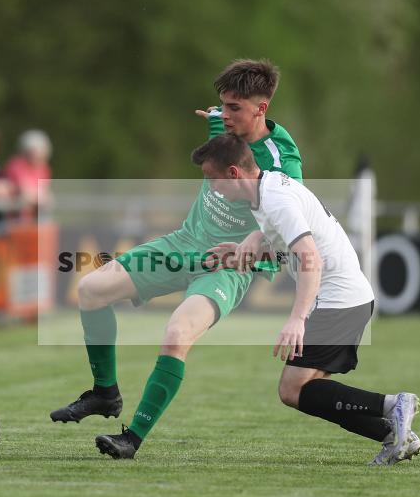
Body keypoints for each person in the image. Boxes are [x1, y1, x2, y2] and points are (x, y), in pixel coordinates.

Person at [49, 60, 303, 459]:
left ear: (262, 109)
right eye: (222, 105)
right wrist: (218, 117)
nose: (224, 115)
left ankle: (130, 439)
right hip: (183, 243)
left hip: (225, 265)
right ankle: (105, 393)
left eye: (234, 108)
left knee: (176, 334)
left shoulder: (282, 160)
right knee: (91, 289)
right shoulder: (227, 123)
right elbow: (217, 133)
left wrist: (252, 252)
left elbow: (289, 222)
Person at [197, 134, 420, 464]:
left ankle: (393, 405)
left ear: (233, 173)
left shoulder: (275, 199)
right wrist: (244, 254)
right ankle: (397, 435)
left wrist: (297, 319)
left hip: (339, 300)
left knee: (293, 390)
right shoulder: (267, 192)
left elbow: (310, 258)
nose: (211, 189)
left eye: (211, 179)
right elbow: (289, 252)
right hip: (348, 299)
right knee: (313, 393)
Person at [2, 129, 53, 213]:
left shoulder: (44, 168)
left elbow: (43, 192)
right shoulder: (16, 165)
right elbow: (25, 192)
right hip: (16, 217)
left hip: (34, 217)